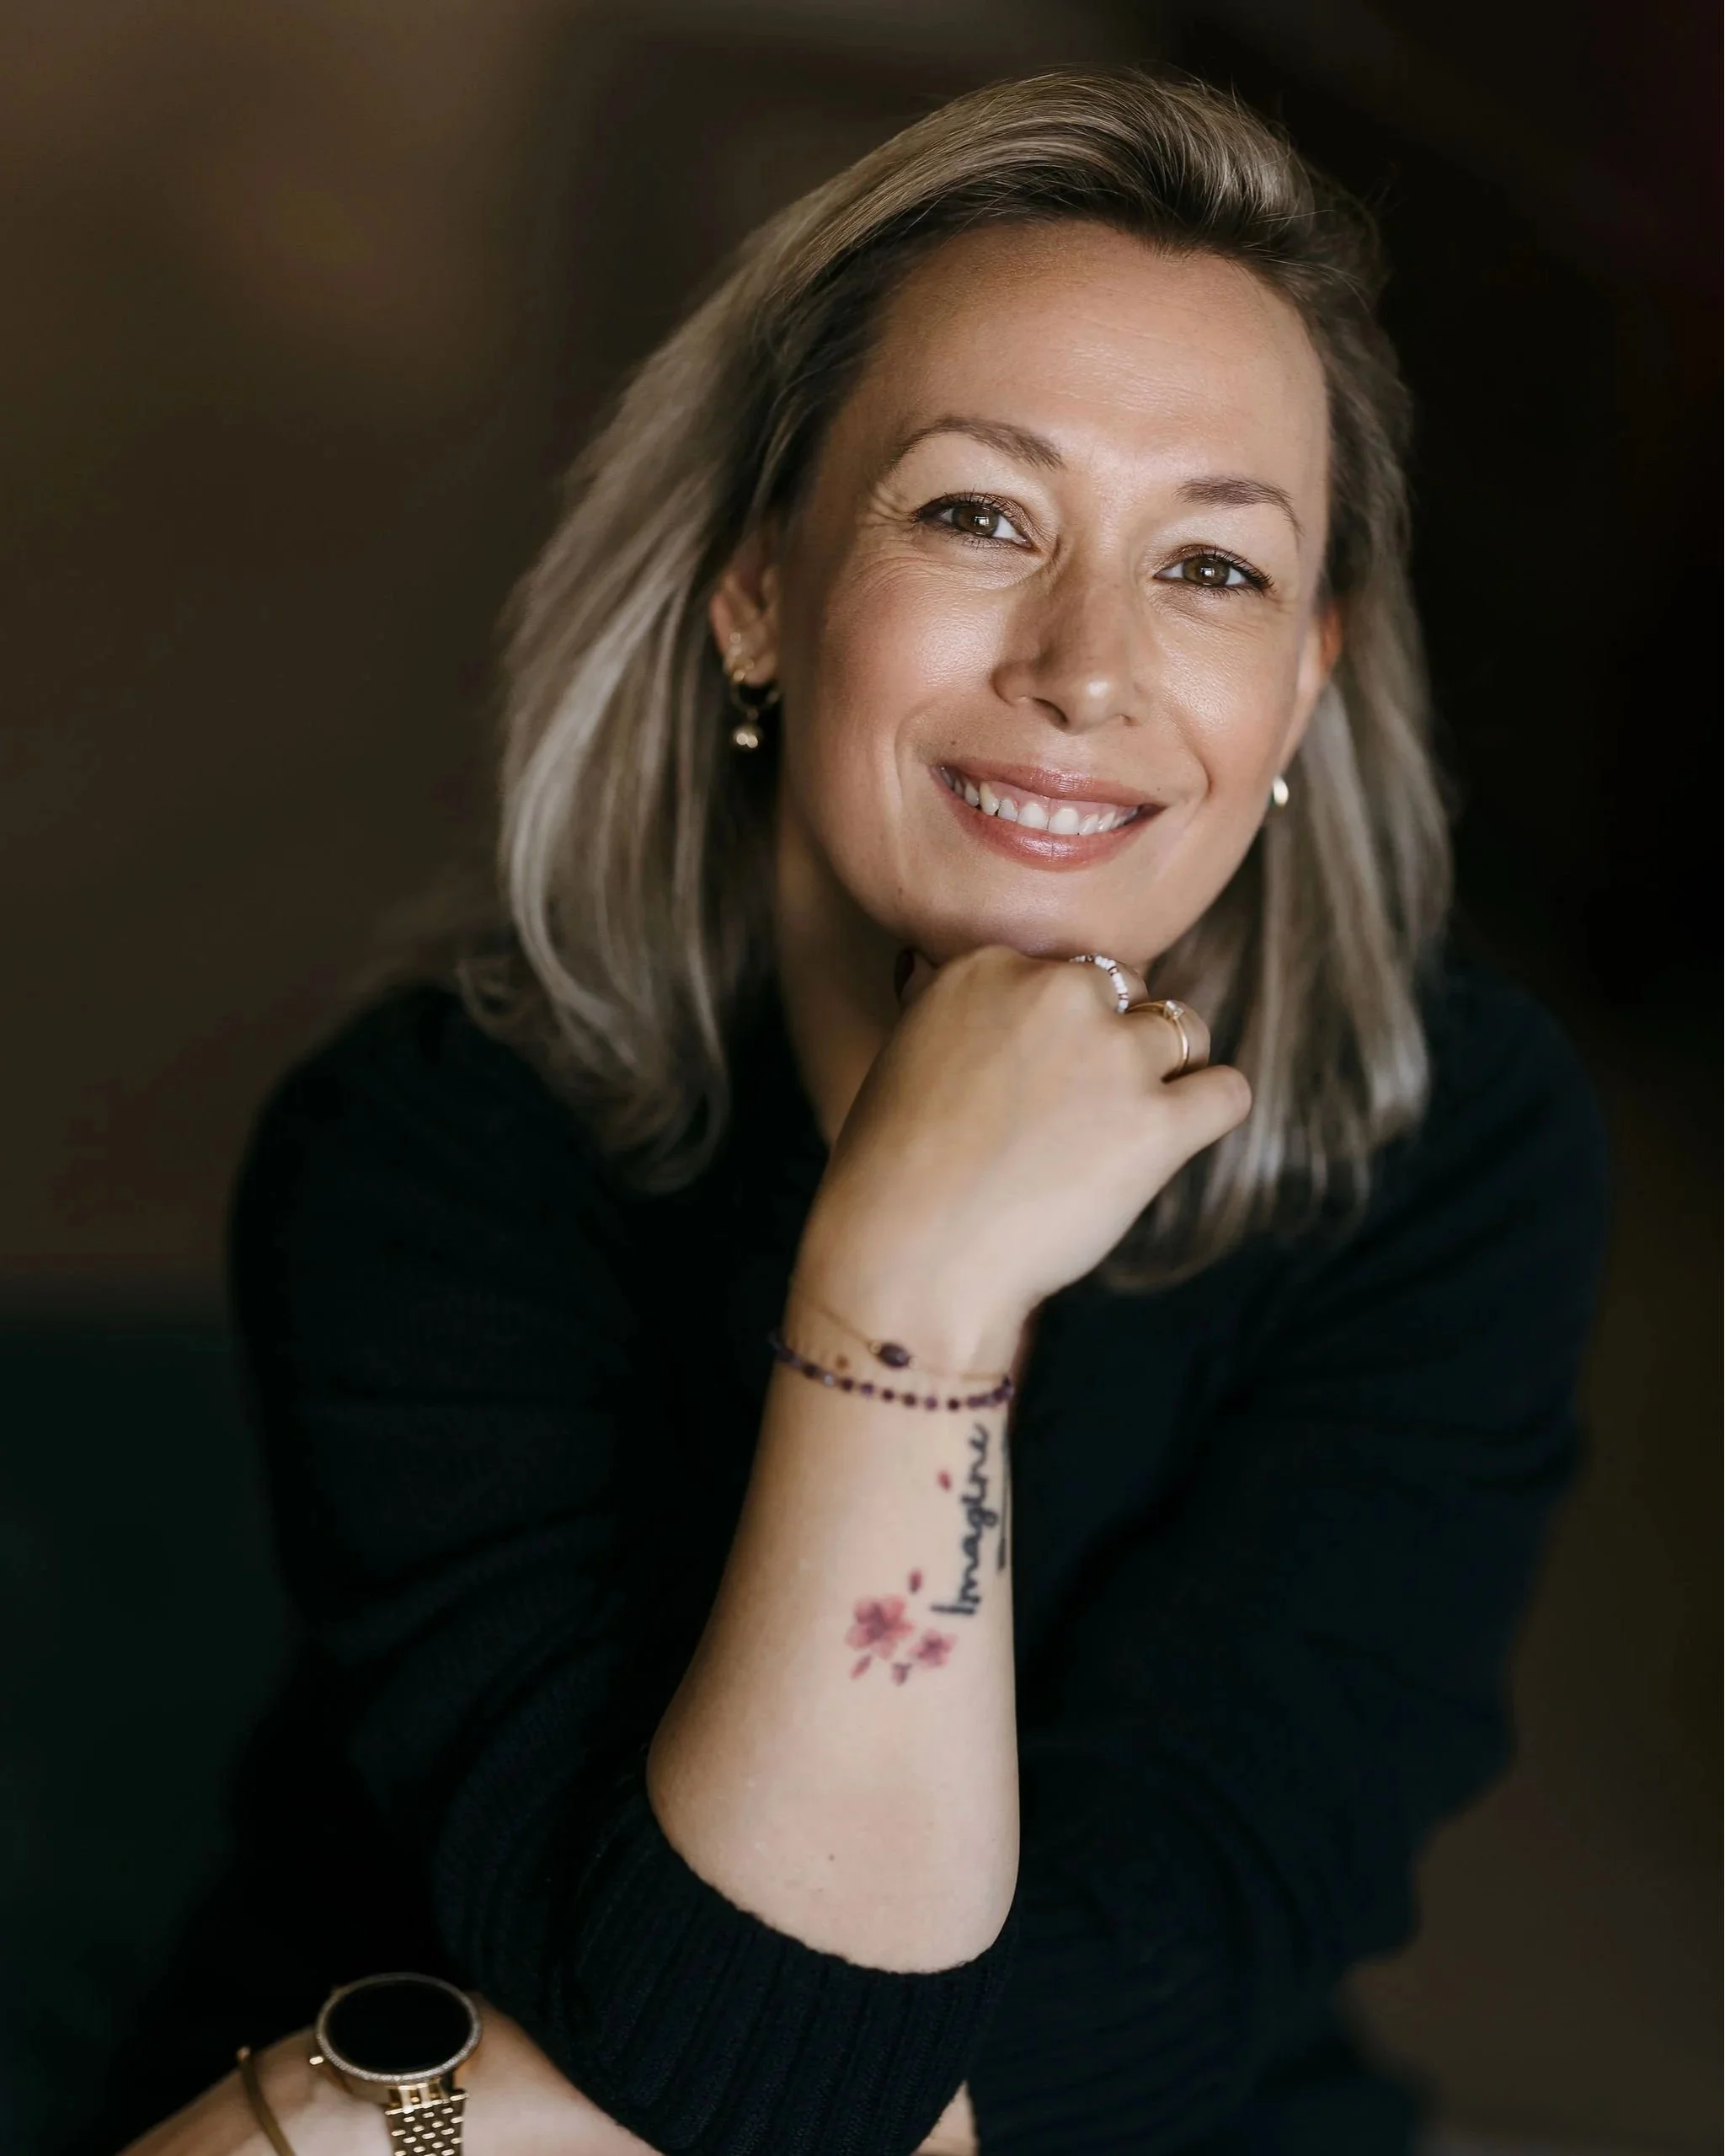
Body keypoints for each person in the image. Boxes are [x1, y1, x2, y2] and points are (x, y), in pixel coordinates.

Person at [115, 65, 1609, 2156]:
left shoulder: (1441, 1148)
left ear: (1305, 680)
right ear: (756, 588)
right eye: (978, 514)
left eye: (1211, 566)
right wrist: (910, 1293)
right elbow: (757, 2037)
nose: (1088, 666)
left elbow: (1126, 1976)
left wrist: (417, 2122)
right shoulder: (434, 1144)